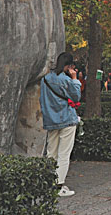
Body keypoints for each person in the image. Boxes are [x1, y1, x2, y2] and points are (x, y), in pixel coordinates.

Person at [39, 52, 82, 197]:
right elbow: (76, 96)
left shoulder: (45, 79)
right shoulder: (66, 80)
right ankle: (59, 185)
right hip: (67, 119)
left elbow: (43, 100)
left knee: (51, 152)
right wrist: (75, 78)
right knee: (64, 154)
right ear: (69, 66)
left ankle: (48, 182)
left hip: (51, 120)